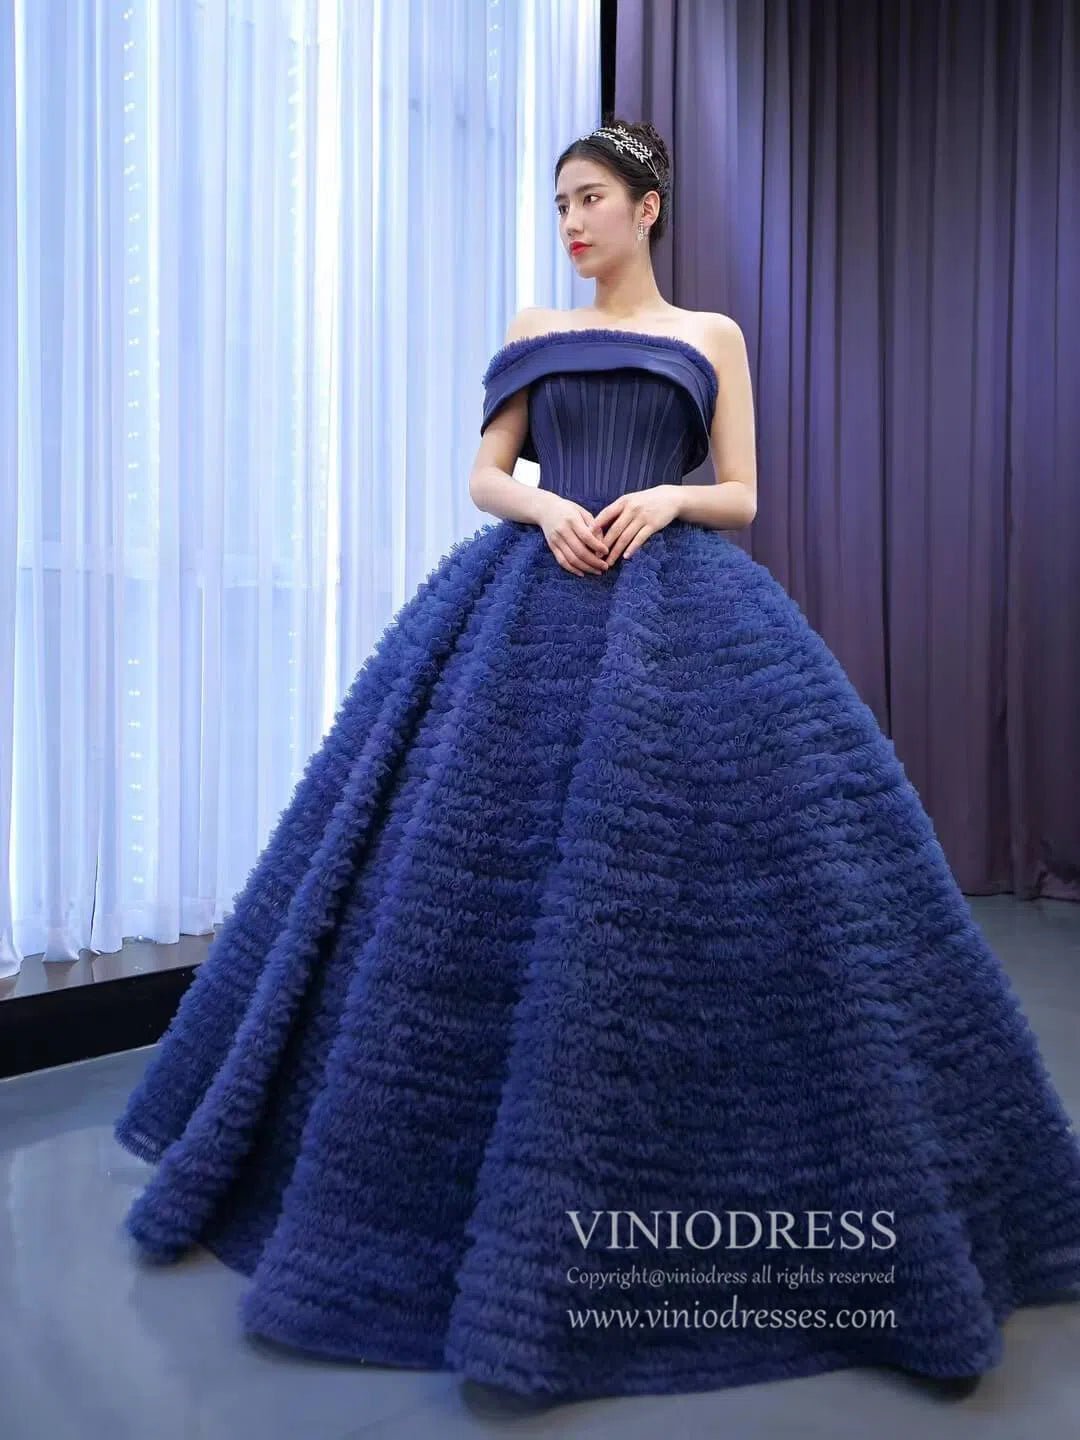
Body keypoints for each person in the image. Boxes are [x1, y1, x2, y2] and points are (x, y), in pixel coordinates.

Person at [114, 116, 1080, 1403]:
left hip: (681, 607)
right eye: (560, 202)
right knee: (457, 865)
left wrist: (669, 498)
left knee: (713, 876)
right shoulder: (537, 326)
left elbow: (741, 492)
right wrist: (548, 502)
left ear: (647, 206)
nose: (570, 222)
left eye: (589, 199)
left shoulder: (711, 336)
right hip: (529, 594)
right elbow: (485, 471)